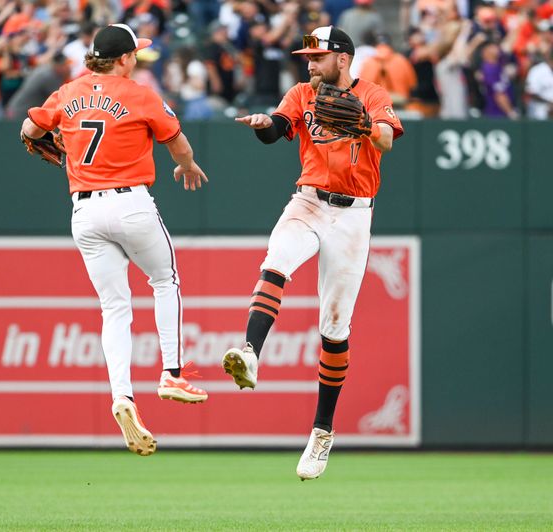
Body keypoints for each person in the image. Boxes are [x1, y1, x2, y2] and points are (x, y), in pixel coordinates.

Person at [21, 23, 210, 457]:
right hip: (131, 204)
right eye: (134, 55)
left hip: (84, 211)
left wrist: (52, 142)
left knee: (114, 307)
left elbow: (30, 131)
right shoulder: (139, 92)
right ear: (123, 59)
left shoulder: (68, 91)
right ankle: (172, 373)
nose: (137, 61)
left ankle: (122, 396)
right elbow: (177, 143)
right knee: (165, 281)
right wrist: (187, 165)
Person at [225, 25, 403, 480]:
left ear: (341, 59)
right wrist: (265, 125)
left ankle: (322, 430)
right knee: (276, 261)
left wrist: (363, 121)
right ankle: (249, 351)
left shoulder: (373, 93)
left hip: (353, 214)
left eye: (317, 57)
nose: (309, 64)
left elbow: (385, 138)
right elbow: (279, 128)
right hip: (308, 199)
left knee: (334, 326)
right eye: (306, 56)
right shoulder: (303, 92)